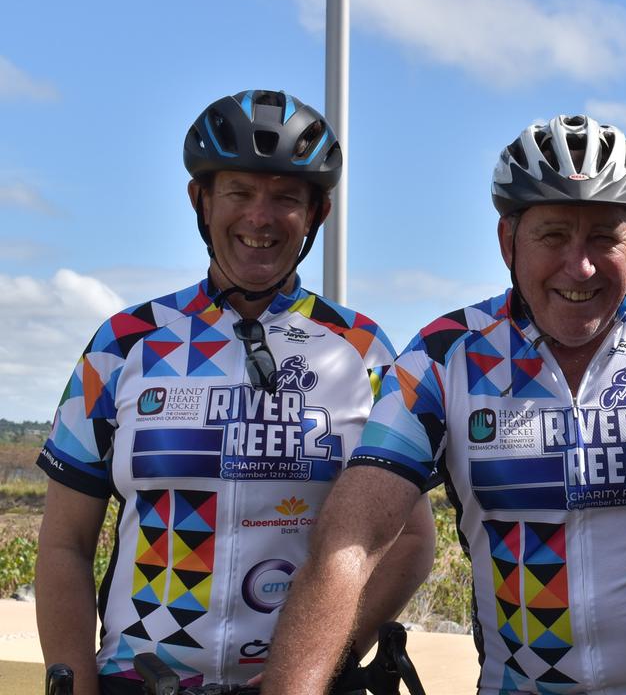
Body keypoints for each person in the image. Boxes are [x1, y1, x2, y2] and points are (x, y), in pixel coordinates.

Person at [262, 114, 626, 694]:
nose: (581, 266)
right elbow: (353, 538)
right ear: (506, 241)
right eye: (552, 236)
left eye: (604, 236)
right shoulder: (442, 358)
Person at [34, 89, 433, 694]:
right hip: (137, 679)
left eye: (285, 198)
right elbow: (65, 540)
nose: (260, 217)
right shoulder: (123, 344)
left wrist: (322, 666)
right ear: (200, 200)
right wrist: (72, 680)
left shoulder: (364, 350)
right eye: (240, 192)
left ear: (318, 213)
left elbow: (411, 538)